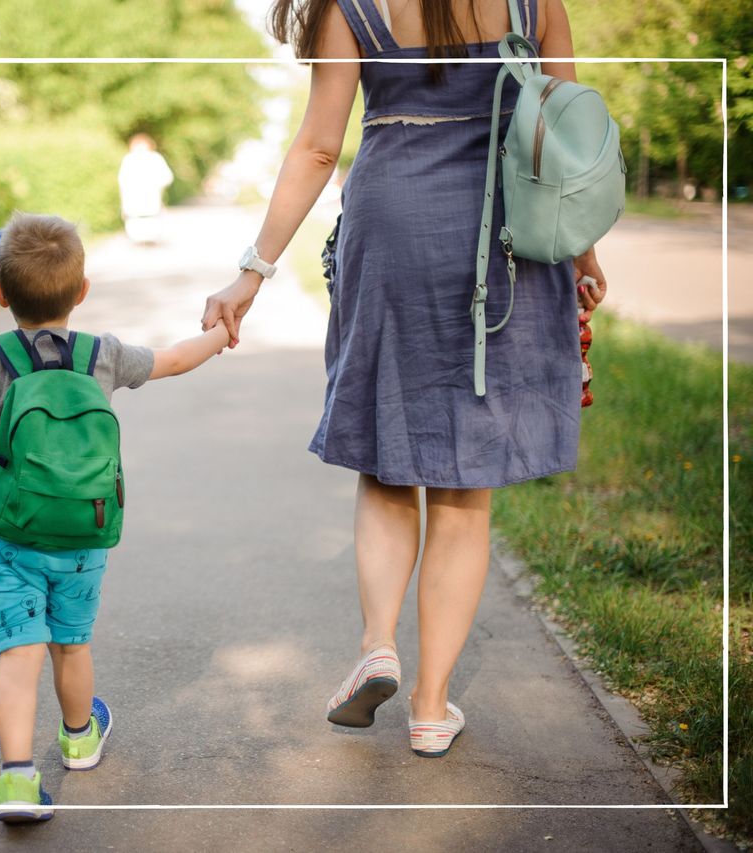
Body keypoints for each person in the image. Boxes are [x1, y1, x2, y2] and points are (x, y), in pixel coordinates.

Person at [201, 0, 609, 757]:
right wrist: (581, 251)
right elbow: (568, 136)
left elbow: (320, 149)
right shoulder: (534, 2)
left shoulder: (353, 7)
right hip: (507, 236)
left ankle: (379, 643)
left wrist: (250, 273)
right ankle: (429, 707)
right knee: (464, 488)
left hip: (393, 224)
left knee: (390, 459)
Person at [0, 212, 230, 821]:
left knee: (19, 653)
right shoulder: (101, 355)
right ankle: (81, 738)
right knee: (72, 645)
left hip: (7, 537)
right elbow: (174, 360)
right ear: (81, 292)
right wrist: (220, 333)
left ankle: (16, 782)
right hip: (84, 535)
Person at [118, 133, 174, 244]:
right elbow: (122, 182)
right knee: (136, 231)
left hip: (151, 199)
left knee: (152, 228)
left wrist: (157, 185)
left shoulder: (155, 158)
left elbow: (167, 177)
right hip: (133, 201)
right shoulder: (129, 159)